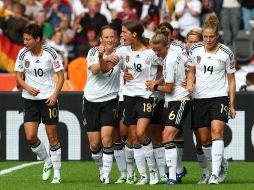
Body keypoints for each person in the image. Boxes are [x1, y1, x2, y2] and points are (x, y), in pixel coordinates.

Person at [106, 21, 159, 185]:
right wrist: (107, 57)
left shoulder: (151, 53)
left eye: (124, 32)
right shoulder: (122, 51)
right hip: (128, 97)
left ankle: (154, 172)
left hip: (145, 96)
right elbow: (107, 68)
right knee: (134, 137)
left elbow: (172, 66)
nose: (121, 35)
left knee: (142, 133)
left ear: (134, 34)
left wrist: (157, 82)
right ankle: (143, 176)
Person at [187, 13, 236, 184]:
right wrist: (190, 83)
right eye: (206, 36)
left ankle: (214, 174)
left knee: (217, 132)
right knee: (204, 140)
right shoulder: (195, 49)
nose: (208, 40)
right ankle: (221, 163)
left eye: (211, 37)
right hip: (200, 98)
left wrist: (232, 104)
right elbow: (191, 71)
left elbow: (231, 80)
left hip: (219, 97)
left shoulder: (226, 52)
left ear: (217, 35)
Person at [14, 23, 64, 183]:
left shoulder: (50, 53)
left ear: (38, 39)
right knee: (30, 137)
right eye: (24, 39)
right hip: (30, 100)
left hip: (48, 99)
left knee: (52, 136)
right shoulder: (23, 54)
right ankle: (47, 161)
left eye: (28, 39)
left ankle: (57, 173)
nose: (25, 42)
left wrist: (55, 95)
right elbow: (18, 77)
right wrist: (28, 87)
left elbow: (61, 76)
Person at [146, 28, 191, 185]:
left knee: (167, 137)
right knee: (168, 137)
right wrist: (156, 82)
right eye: (154, 50)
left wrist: (155, 87)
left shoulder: (170, 59)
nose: (156, 53)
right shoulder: (169, 55)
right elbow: (166, 76)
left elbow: (169, 88)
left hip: (179, 99)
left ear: (166, 46)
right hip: (170, 101)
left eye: (158, 50)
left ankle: (172, 176)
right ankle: (177, 172)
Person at [82, 25, 120, 184]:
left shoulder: (121, 53)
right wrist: (104, 58)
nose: (110, 40)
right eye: (106, 37)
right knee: (95, 144)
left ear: (117, 38)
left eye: (112, 37)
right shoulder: (93, 52)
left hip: (110, 99)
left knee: (106, 139)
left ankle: (106, 175)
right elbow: (96, 70)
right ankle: (101, 169)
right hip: (91, 100)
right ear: (100, 39)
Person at [185, 28, 210, 184]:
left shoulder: (206, 56)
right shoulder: (181, 56)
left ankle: (216, 167)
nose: (193, 44)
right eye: (190, 41)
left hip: (203, 98)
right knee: (198, 138)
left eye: (196, 42)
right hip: (185, 99)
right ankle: (206, 172)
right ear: (186, 42)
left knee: (204, 138)